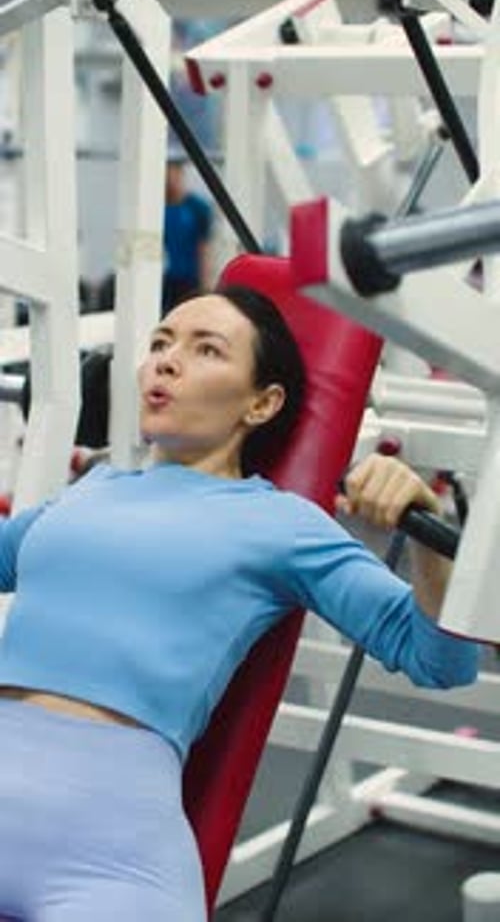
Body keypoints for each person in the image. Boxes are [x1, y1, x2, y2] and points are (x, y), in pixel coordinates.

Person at [0, 285, 478, 921]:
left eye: (206, 350)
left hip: (109, 851)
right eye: (161, 344)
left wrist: (423, 524)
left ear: (262, 402)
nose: (166, 362)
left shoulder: (281, 524)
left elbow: (442, 661)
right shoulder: (89, 490)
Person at [161, 155, 214, 315]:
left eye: (173, 175)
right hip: (166, 279)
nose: (170, 180)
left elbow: (204, 248)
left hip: (191, 279)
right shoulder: (157, 206)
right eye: (166, 175)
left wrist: (205, 285)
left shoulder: (197, 207)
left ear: (180, 175)